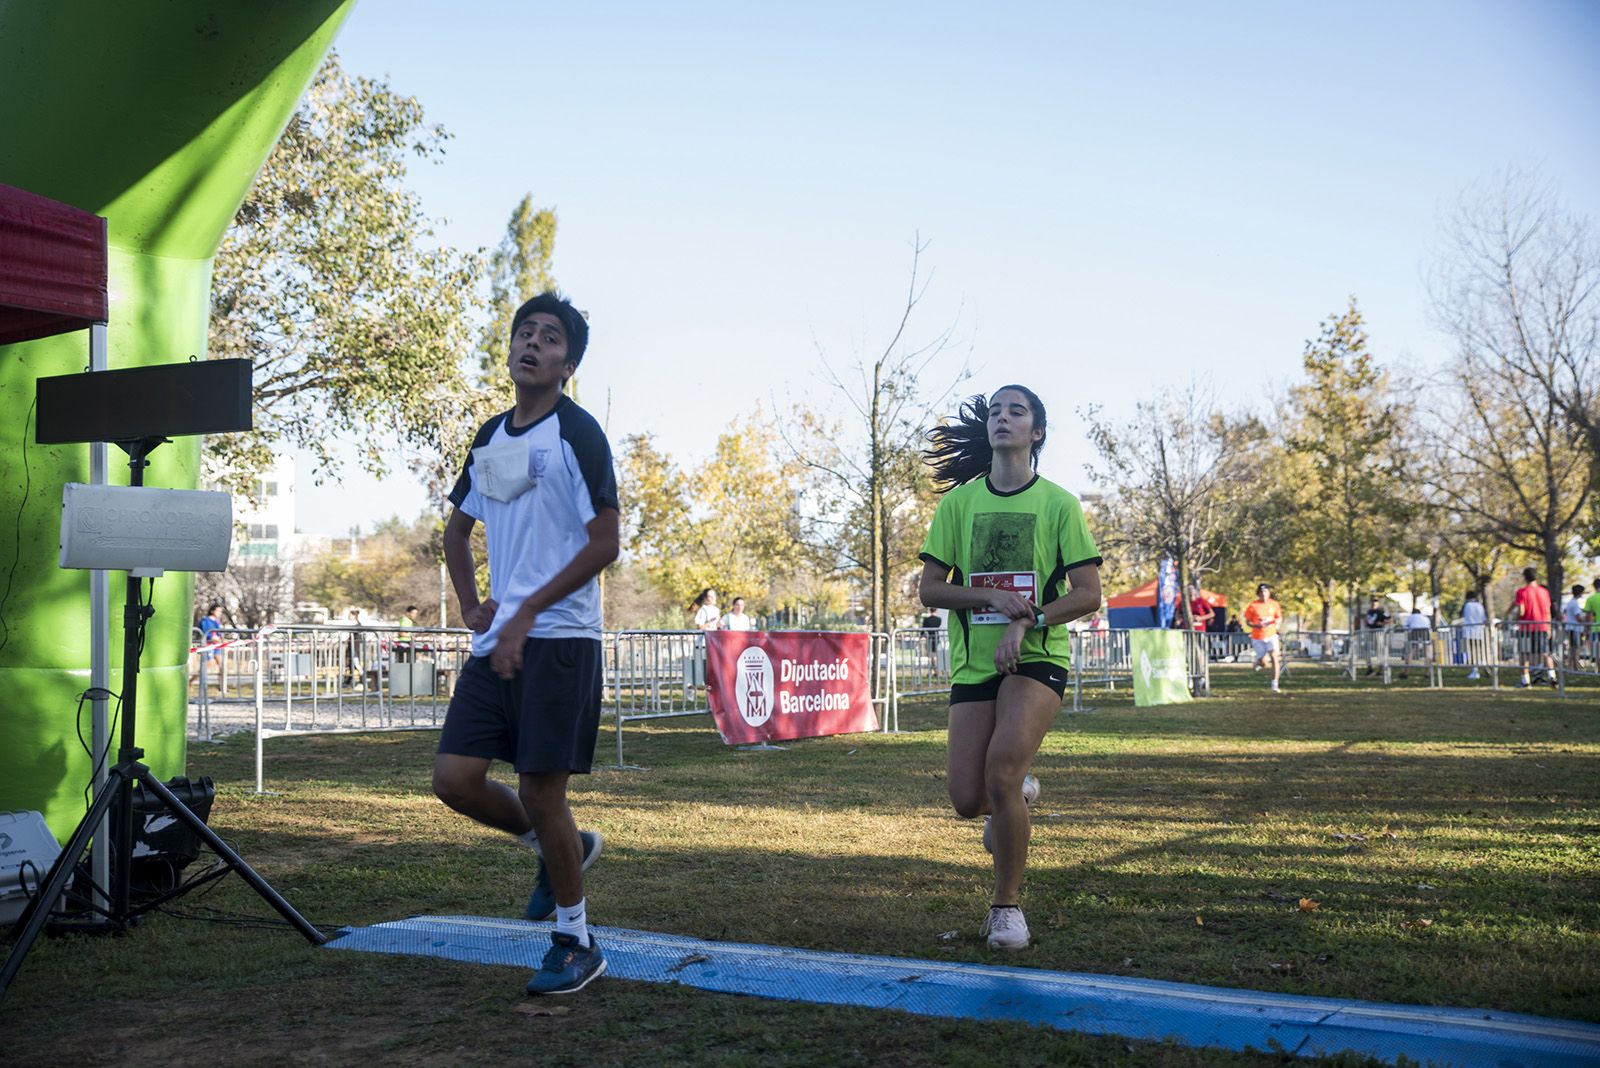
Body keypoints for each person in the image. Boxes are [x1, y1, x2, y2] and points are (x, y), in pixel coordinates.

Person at [431, 291, 619, 996]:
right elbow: (457, 530)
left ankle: (576, 941)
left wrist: (527, 611)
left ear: (568, 364)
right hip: (499, 640)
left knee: (543, 791)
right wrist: (471, 604)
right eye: (524, 332)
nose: (532, 343)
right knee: (454, 780)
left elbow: (606, 542)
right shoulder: (490, 436)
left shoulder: (579, 433)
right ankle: (556, 845)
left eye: (549, 337)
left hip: (561, 638)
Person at [918, 385, 1102, 951]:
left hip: (1038, 657)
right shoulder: (958, 505)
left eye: (1016, 411)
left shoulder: (1058, 504)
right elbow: (931, 590)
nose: (1002, 418)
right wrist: (990, 598)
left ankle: (1006, 908)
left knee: (998, 771)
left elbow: (1088, 593)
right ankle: (1015, 795)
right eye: (995, 411)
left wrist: (1029, 620)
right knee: (967, 800)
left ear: (1036, 431)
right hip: (975, 663)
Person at [1509, 567, 1555, 689]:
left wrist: (1516, 618)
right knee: (1545, 653)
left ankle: (1525, 681)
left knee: (1524, 654)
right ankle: (1552, 677)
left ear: (1525, 577)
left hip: (1526, 628)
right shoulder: (1544, 592)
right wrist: (1549, 627)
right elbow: (1548, 611)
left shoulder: (1522, 592)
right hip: (1542, 626)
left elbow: (1522, 611)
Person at [1243, 583, 1284, 692]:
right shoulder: (1253, 606)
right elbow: (1248, 621)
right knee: (1263, 662)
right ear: (1258, 594)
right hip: (1258, 636)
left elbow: (1279, 617)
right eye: (1261, 592)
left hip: (1271, 634)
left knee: (1275, 657)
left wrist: (1277, 624)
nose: (1263, 594)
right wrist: (1256, 625)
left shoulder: (1274, 604)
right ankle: (1258, 661)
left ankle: (1274, 684)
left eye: (1265, 592)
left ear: (1269, 593)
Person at [1459, 589, 1488, 680]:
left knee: (1472, 652)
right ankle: (1483, 663)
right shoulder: (1480, 605)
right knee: (1479, 650)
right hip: (1479, 631)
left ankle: (1475, 671)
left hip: (1469, 631)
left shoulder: (1467, 605)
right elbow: (1484, 619)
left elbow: (1461, 615)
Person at [1360, 596, 1391, 676]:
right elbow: (1367, 620)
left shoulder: (1381, 611)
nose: (1374, 603)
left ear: (1378, 603)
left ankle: (1381, 669)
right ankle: (1369, 668)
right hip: (1369, 632)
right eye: (1372, 601)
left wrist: (1382, 623)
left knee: (1379, 651)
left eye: (1375, 601)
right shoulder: (1369, 611)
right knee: (1366, 650)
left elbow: (1390, 620)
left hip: (1378, 634)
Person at [1399, 605, 1431, 679]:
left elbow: (1405, 626)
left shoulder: (1410, 617)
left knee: (1411, 652)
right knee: (1427, 652)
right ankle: (1427, 672)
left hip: (1414, 631)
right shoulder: (1425, 617)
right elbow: (1429, 626)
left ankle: (1406, 672)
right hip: (1425, 631)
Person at [1561, 584, 1587, 672]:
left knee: (1573, 648)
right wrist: (1585, 621)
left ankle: (1571, 667)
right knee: (1574, 649)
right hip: (1574, 628)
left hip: (1571, 628)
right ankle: (1574, 667)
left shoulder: (1570, 602)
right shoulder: (1574, 603)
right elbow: (1578, 617)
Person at [1584, 577, 1600, 667]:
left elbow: (1588, 615)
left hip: (1595, 629)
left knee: (1597, 652)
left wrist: (1586, 628)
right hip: (1595, 629)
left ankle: (1598, 670)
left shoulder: (1591, 599)